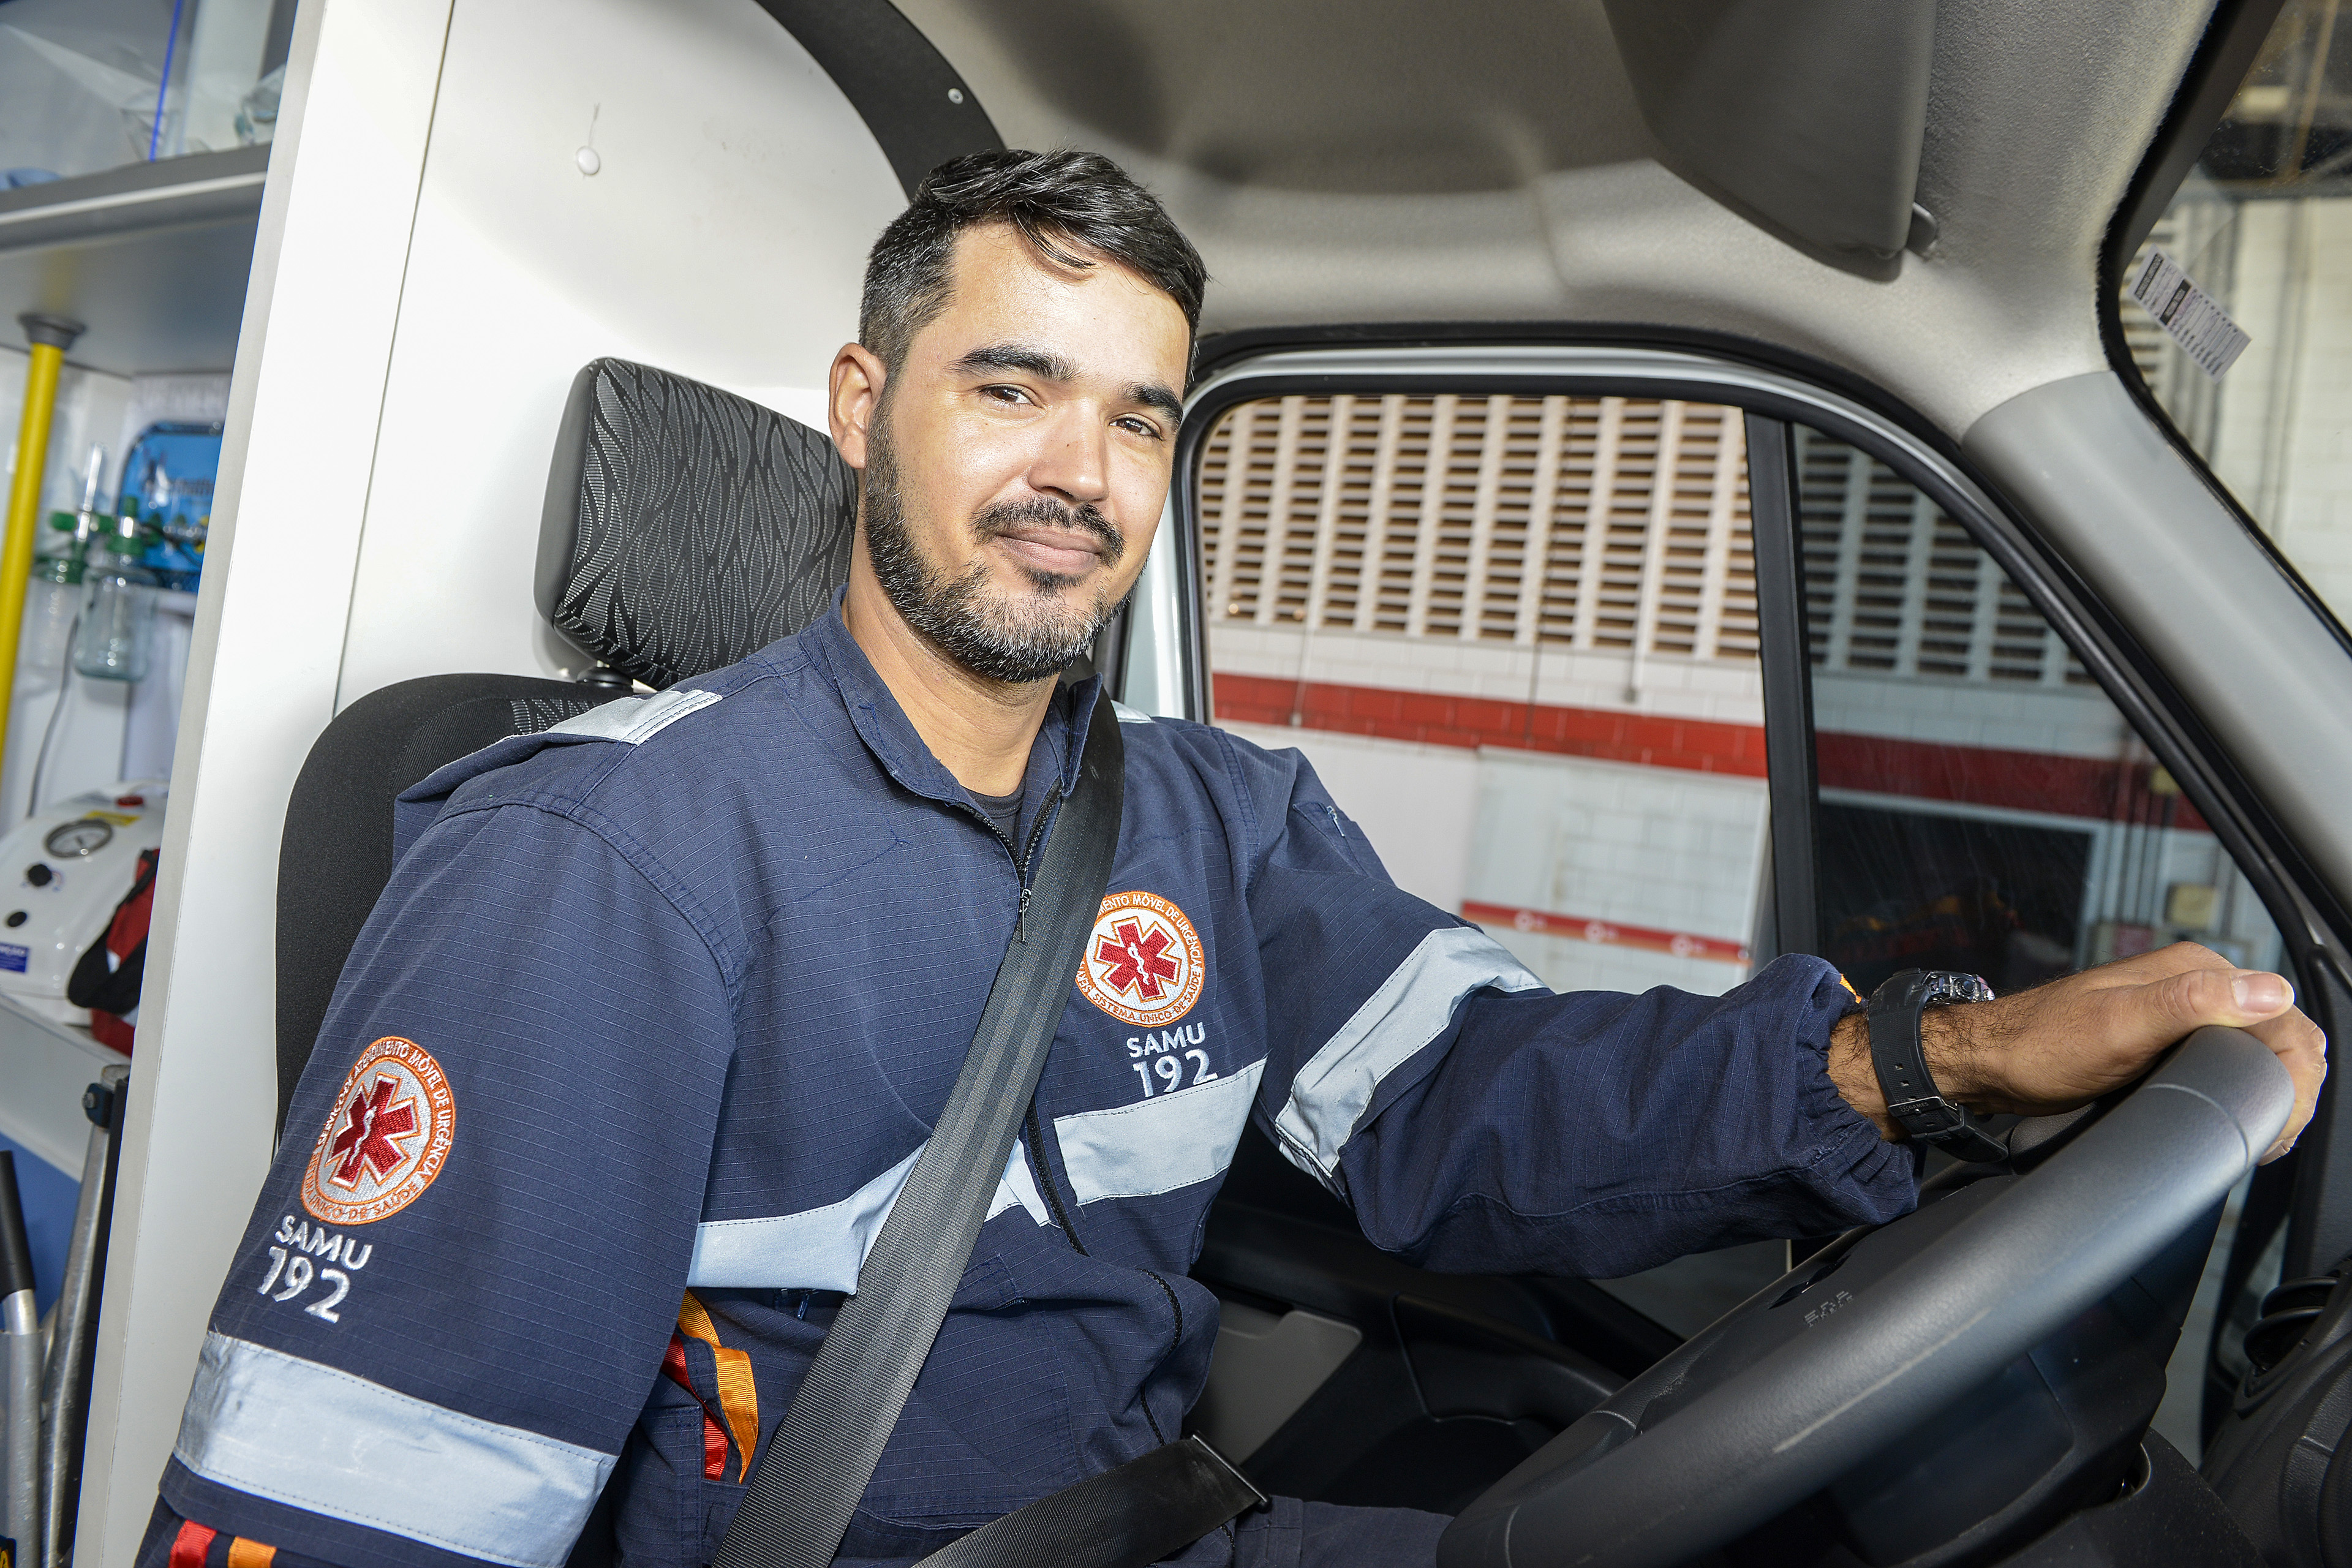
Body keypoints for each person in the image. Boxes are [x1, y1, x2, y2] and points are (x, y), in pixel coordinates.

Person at [141, 149, 2325, 1568]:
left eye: (1139, 416)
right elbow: (360, 1496)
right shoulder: (606, 863)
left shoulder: (1212, 815)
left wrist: (1936, 1063)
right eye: (1012, 389)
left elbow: (1478, 1097)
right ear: (860, 404)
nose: (1080, 475)